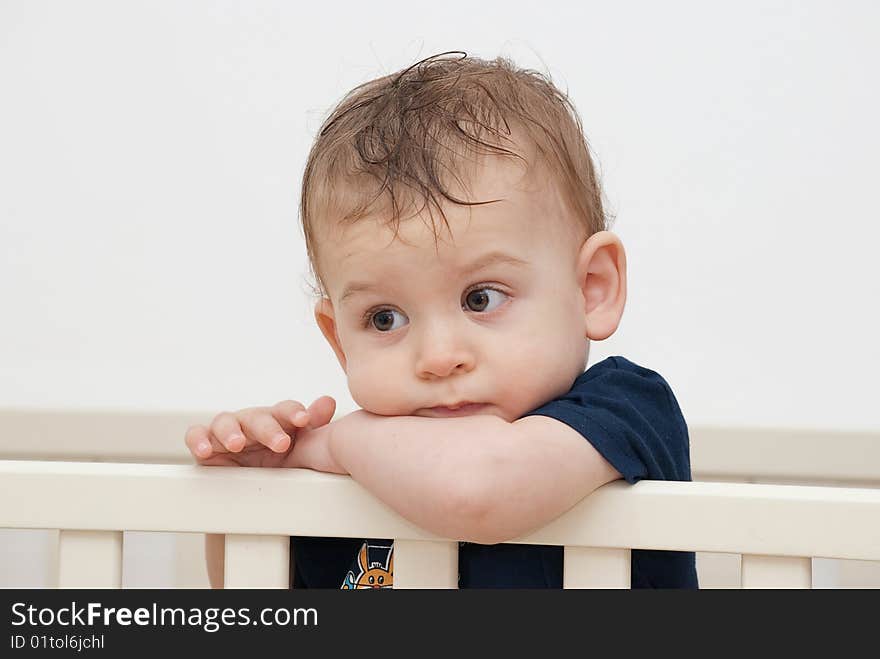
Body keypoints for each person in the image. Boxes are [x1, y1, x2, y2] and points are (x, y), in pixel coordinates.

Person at [184, 51, 698, 589]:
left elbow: (475, 490)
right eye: (384, 319)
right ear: (340, 340)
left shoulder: (626, 406)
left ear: (592, 288)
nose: (436, 358)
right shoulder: (362, 474)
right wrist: (246, 494)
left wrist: (333, 444)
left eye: (481, 299)